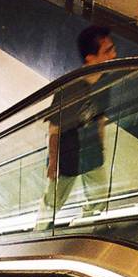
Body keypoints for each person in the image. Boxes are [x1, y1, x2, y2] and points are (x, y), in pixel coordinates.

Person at [36, 24, 117, 228]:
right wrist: (53, 163)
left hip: (91, 149)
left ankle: (84, 228)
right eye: (107, 51)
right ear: (90, 58)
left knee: (99, 196)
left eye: (112, 48)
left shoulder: (105, 79)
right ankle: (40, 232)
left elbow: (100, 117)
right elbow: (54, 130)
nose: (114, 55)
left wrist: (101, 145)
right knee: (52, 202)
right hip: (68, 153)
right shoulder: (70, 88)